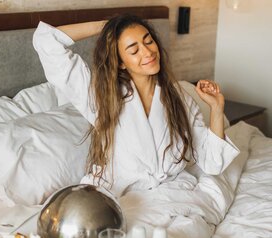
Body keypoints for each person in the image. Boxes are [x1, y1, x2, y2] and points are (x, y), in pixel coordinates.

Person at [33, 14, 240, 197]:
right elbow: (47, 41)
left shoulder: (179, 97)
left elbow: (212, 162)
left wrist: (216, 108)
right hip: (122, 197)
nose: (148, 52)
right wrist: (109, 26)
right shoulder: (102, 96)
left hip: (173, 194)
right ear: (121, 62)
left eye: (148, 41)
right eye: (134, 50)